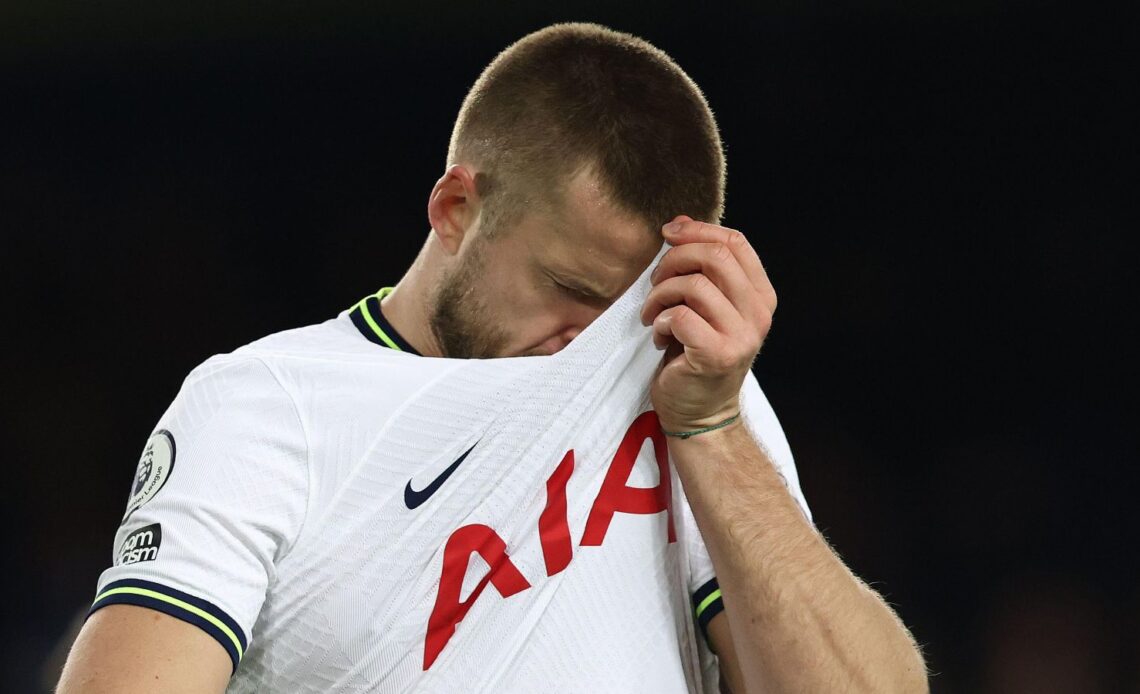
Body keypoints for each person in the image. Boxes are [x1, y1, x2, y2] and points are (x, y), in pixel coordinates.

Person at [56, 21, 927, 693]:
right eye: (570, 289)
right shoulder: (267, 407)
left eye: (628, 307)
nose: (593, 341)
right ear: (455, 208)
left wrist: (711, 423)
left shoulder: (687, 382)